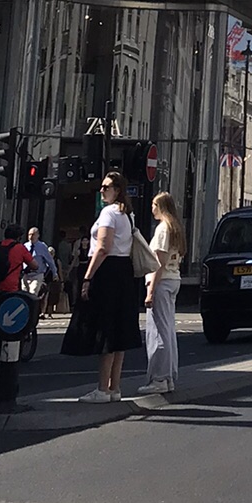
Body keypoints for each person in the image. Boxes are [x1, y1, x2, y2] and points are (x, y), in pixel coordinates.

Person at [62, 170, 143, 402]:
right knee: (119, 330)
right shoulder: (128, 214)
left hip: (107, 272)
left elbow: (103, 247)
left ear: (117, 190)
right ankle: (115, 387)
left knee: (105, 329)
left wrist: (88, 277)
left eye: (106, 187)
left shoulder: (108, 213)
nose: (101, 190)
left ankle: (102, 389)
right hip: (124, 271)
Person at [137, 192, 186, 399]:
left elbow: (159, 263)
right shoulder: (176, 229)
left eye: (154, 205)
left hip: (162, 282)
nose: (152, 208)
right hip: (173, 279)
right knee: (167, 330)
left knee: (157, 332)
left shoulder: (163, 229)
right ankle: (168, 377)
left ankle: (159, 379)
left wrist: (150, 291)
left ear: (162, 207)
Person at [25, 228, 60, 316]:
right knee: (25, 296)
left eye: (33, 234)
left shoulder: (42, 247)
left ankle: (31, 314)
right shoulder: (25, 246)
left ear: (38, 235)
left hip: (37, 275)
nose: (31, 237)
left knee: (33, 293)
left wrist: (55, 273)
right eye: (29, 234)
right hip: (26, 275)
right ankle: (25, 314)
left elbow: (50, 261)